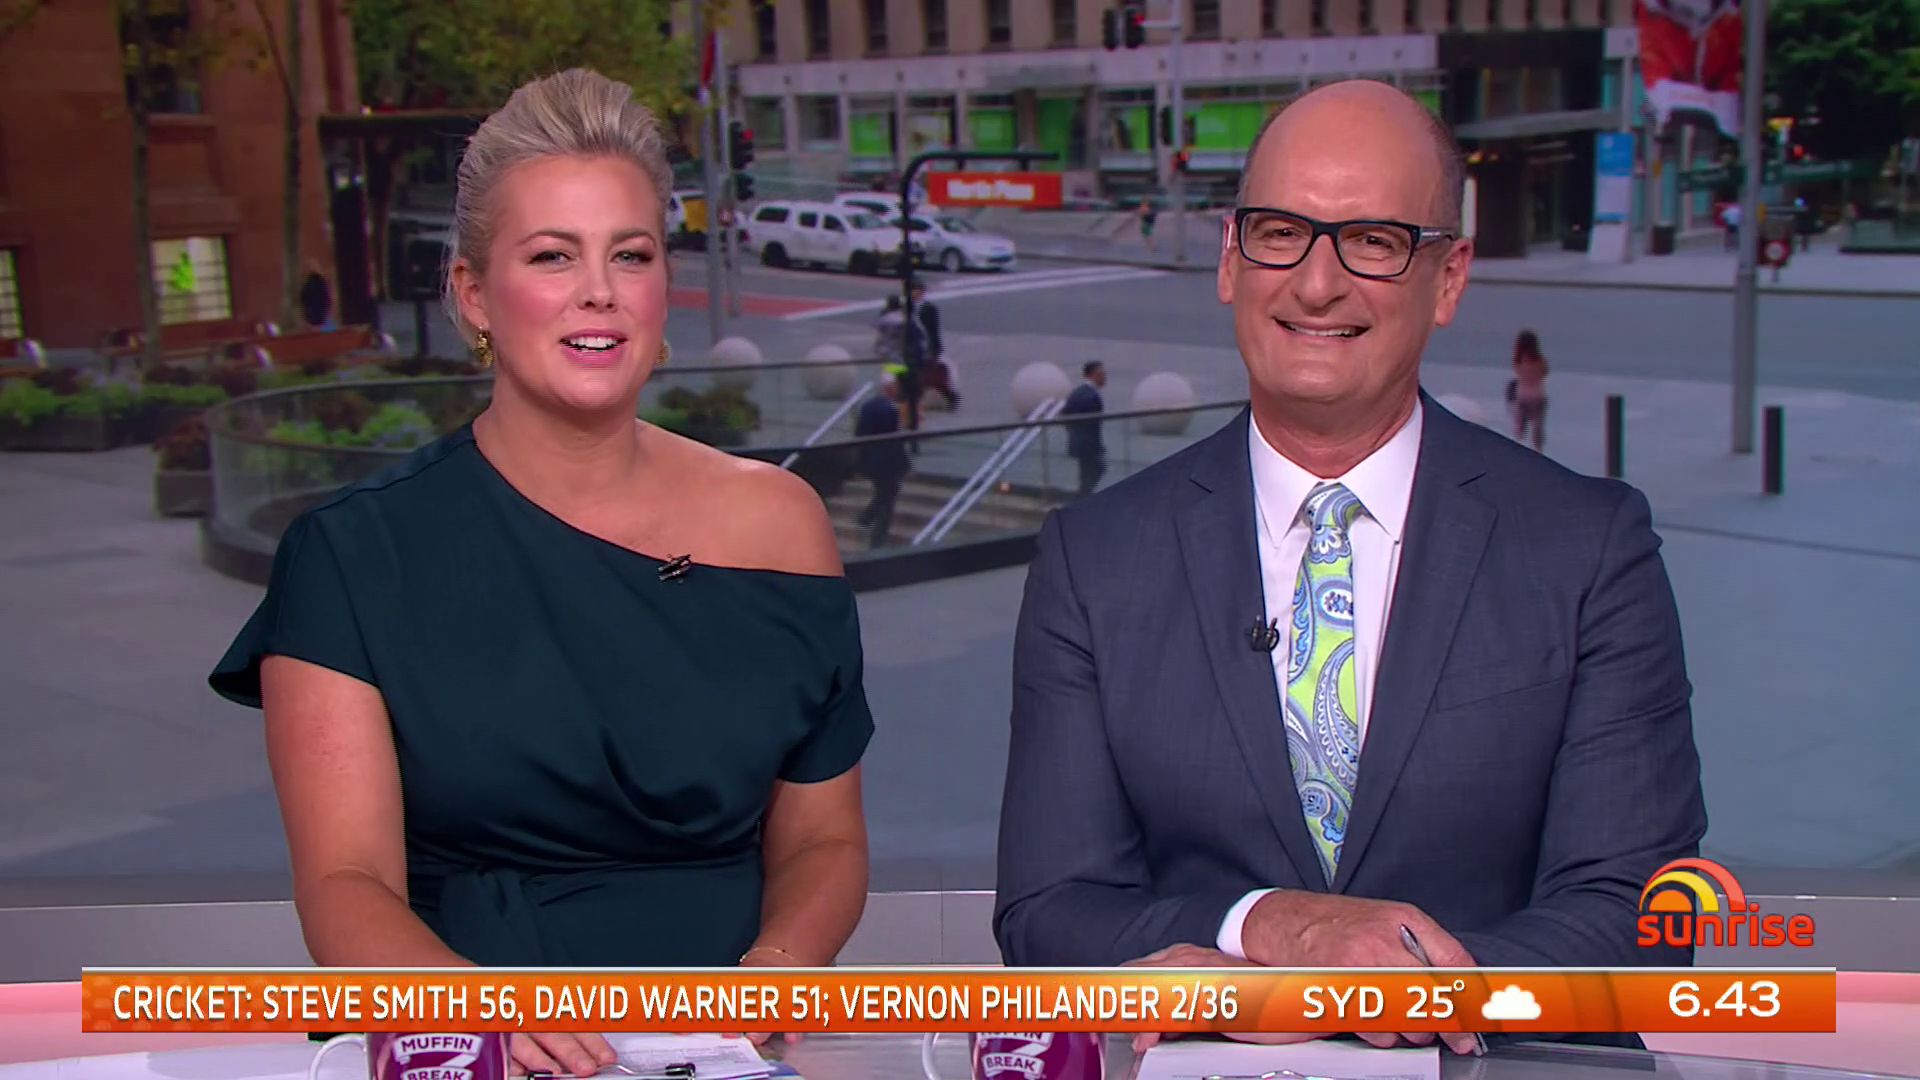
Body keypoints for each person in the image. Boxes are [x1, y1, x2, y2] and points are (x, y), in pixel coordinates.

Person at [994, 79, 1704, 1055]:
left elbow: (1639, 918)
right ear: (1231, 259)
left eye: (1372, 240)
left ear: (1448, 279)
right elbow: (1048, 912)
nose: (1317, 284)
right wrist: (1270, 928)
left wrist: (1367, 994)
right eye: (1281, 232)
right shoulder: (1095, 560)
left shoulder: (1587, 548)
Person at [208, 70, 872, 1077]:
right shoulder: (352, 554)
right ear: (474, 294)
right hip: (472, 1048)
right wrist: (479, 1014)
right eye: (553, 255)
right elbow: (344, 884)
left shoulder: (781, 524)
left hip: (722, 1049)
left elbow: (824, 840)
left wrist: (775, 973)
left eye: (630, 255)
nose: (599, 290)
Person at [854, 375, 910, 548]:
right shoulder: (889, 409)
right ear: (889, 388)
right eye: (895, 386)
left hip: (872, 461)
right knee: (888, 498)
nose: (898, 389)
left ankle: (866, 517)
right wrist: (904, 463)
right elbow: (894, 439)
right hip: (887, 462)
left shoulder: (868, 406)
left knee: (885, 493)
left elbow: (860, 434)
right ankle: (877, 538)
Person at [1060, 360, 1107, 497]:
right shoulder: (1091, 396)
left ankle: (1083, 498)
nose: (1104, 377)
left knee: (1086, 475)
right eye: (1102, 374)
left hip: (1079, 442)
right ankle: (1082, 500)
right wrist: (1097, 446)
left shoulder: (1078, 393)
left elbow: (1066, 414)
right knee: (1094, 471)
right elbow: (1093, 425)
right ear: (1094, 375)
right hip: (1088, 444)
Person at [1510, 329, 1549, 452]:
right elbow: (1544, 373)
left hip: (1522, 396)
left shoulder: (1518, 360)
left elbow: (1518, 373)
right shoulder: (1540, 361)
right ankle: (1539, 453)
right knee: (1537, 429)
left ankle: (1517, 452)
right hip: (1538, 396)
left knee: (1520, 430)